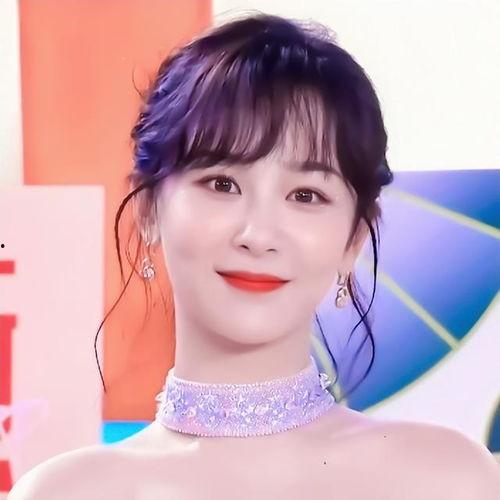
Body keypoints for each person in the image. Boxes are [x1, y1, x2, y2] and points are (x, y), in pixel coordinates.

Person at [9, 11, 500, 500]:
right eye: (222, 184)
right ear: (149, 210)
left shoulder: (447, 479)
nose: (258, 235)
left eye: (306, 195)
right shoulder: (64, 493)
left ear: (353, 239)